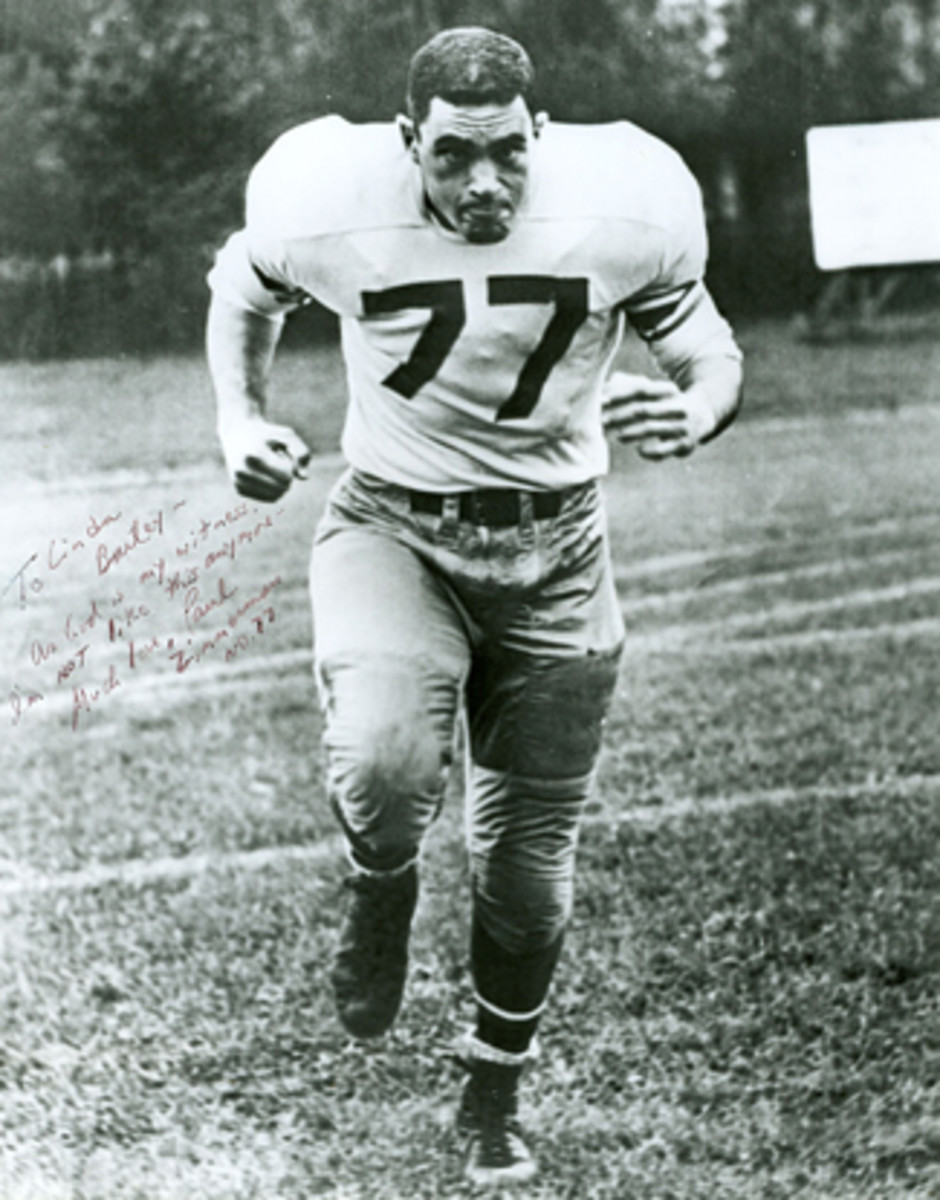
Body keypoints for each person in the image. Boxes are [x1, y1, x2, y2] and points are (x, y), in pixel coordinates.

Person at [206, 26, 742, 1186]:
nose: (482, 182)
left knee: (525, 863)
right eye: (452, 158)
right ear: (410, 142)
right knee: (386, 770)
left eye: (505, 153)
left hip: (558, 553)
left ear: (537, 133)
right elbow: (241, 290)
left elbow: (708, 348)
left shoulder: (624, 201)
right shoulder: (326, 198)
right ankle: (381, 889)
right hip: (394, 525)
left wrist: (698, 409)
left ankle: (491, 1092)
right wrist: (239, 419)